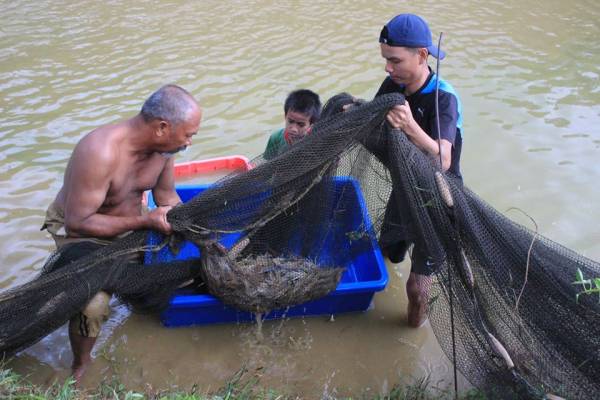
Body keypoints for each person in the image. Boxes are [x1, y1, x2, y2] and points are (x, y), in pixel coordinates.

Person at [41, 84, 202, 384]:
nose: (189, 143)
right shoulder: (99, 151)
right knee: (93, 305)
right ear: (162, 127)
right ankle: (81, 364)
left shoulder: (164, 150)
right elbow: (78, 221)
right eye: (188, 135)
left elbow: (166, 196)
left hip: (131, 222)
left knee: (177, 268)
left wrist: (190, 225)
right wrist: (146, 222)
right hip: (81, 233)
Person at [375, 14, 463, 327]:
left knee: (416, 288)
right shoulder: (392, 84)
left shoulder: (444, 97)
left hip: (437, 200)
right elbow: (374, 126)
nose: (388, 68)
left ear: (422, 56)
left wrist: (410, 125)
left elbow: (443, 160)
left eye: (395, 61)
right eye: (386, 60)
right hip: (404, 190)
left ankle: (412, 333)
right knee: (386, 253)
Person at [263, 89, 321, 160]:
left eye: (301, 125)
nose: (293, 129)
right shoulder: (276, 138)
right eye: (290, 121)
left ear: (311, 125)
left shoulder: (317, 141)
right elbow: (267, 162)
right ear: (285, 116)